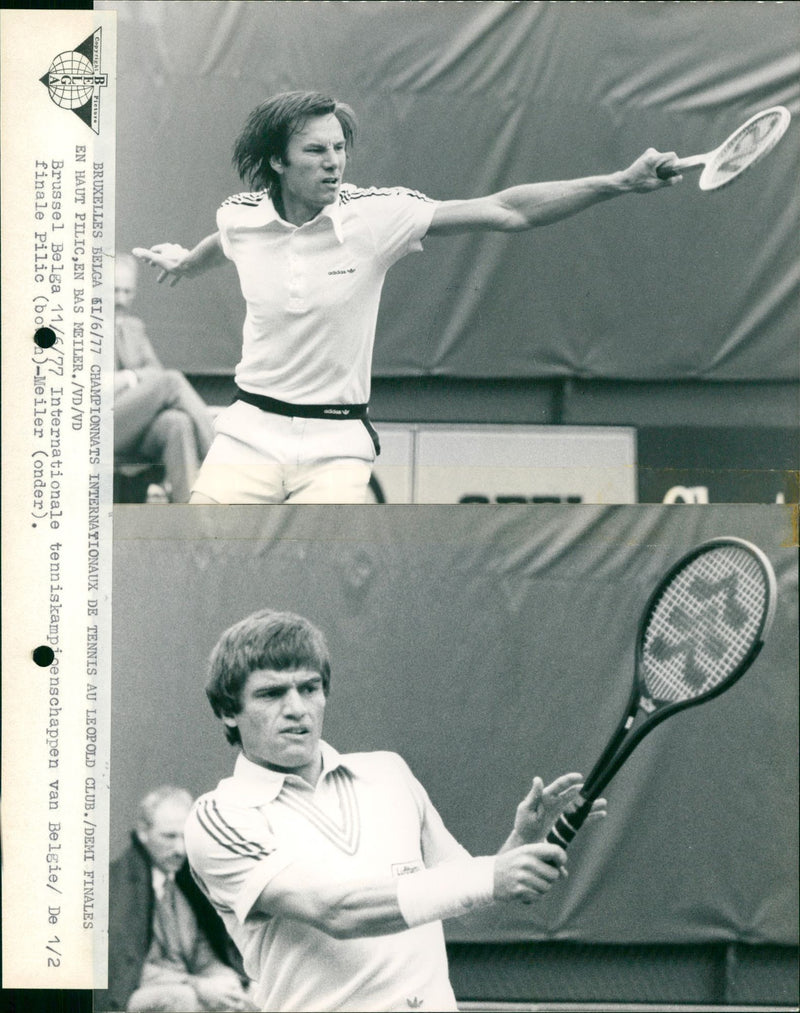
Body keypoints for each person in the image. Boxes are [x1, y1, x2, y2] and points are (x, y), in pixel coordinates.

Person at [133, 90, 682, 505]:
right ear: (278, 161)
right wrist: (186, 262)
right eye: (316, 150)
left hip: (336, 445)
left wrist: (619, 182)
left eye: (340, 148)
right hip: (249, 432)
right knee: (200, 555)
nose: (334, 162)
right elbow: (223, 242)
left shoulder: (376, 216)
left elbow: (506, 210)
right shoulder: (241, 217)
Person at [183, 610, 607, 1012]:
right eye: (272, 693)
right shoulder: (220, 817)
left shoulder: (388, 772)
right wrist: (491, 876)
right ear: (227, 711)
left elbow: (466, 898)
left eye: (309, 688)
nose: (297, 708)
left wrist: (518, 851)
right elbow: (334, 909)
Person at [95, 785, 256, 1013]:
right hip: (133, 993)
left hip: (185, 985)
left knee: (240, 992)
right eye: (169, 836)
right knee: (183, 999)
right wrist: (198, 985)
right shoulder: (115, 885)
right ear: (143, 832)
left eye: (185, 837)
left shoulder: (184, 887)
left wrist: (224, 980)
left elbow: (201, 952)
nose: (180, 849)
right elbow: (127, 965)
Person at [114, 254, 216, 503]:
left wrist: (127, 377)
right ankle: (222, 456)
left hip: (135, 425)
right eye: (114, 291)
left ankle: (193, 520)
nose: (121, 300)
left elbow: (154, 373)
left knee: (177, 422)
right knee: (172, 381)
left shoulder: (133, 327)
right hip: (96, 428)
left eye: (128, 292)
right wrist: (135, 380)